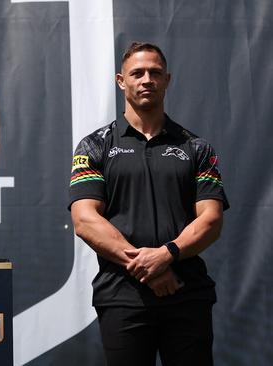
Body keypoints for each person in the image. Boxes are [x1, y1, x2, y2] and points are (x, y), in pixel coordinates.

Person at [69, 42, 228, 366]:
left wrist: (166, 254)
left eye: (155, 73)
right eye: (137, 73)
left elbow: (210, 220)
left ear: (167, 80)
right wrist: (148, 269)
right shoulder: (94, 145)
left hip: (187, 294)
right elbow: (85, 220)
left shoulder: (196, 147)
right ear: (120, 80)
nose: (146, 80)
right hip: (122, 297)